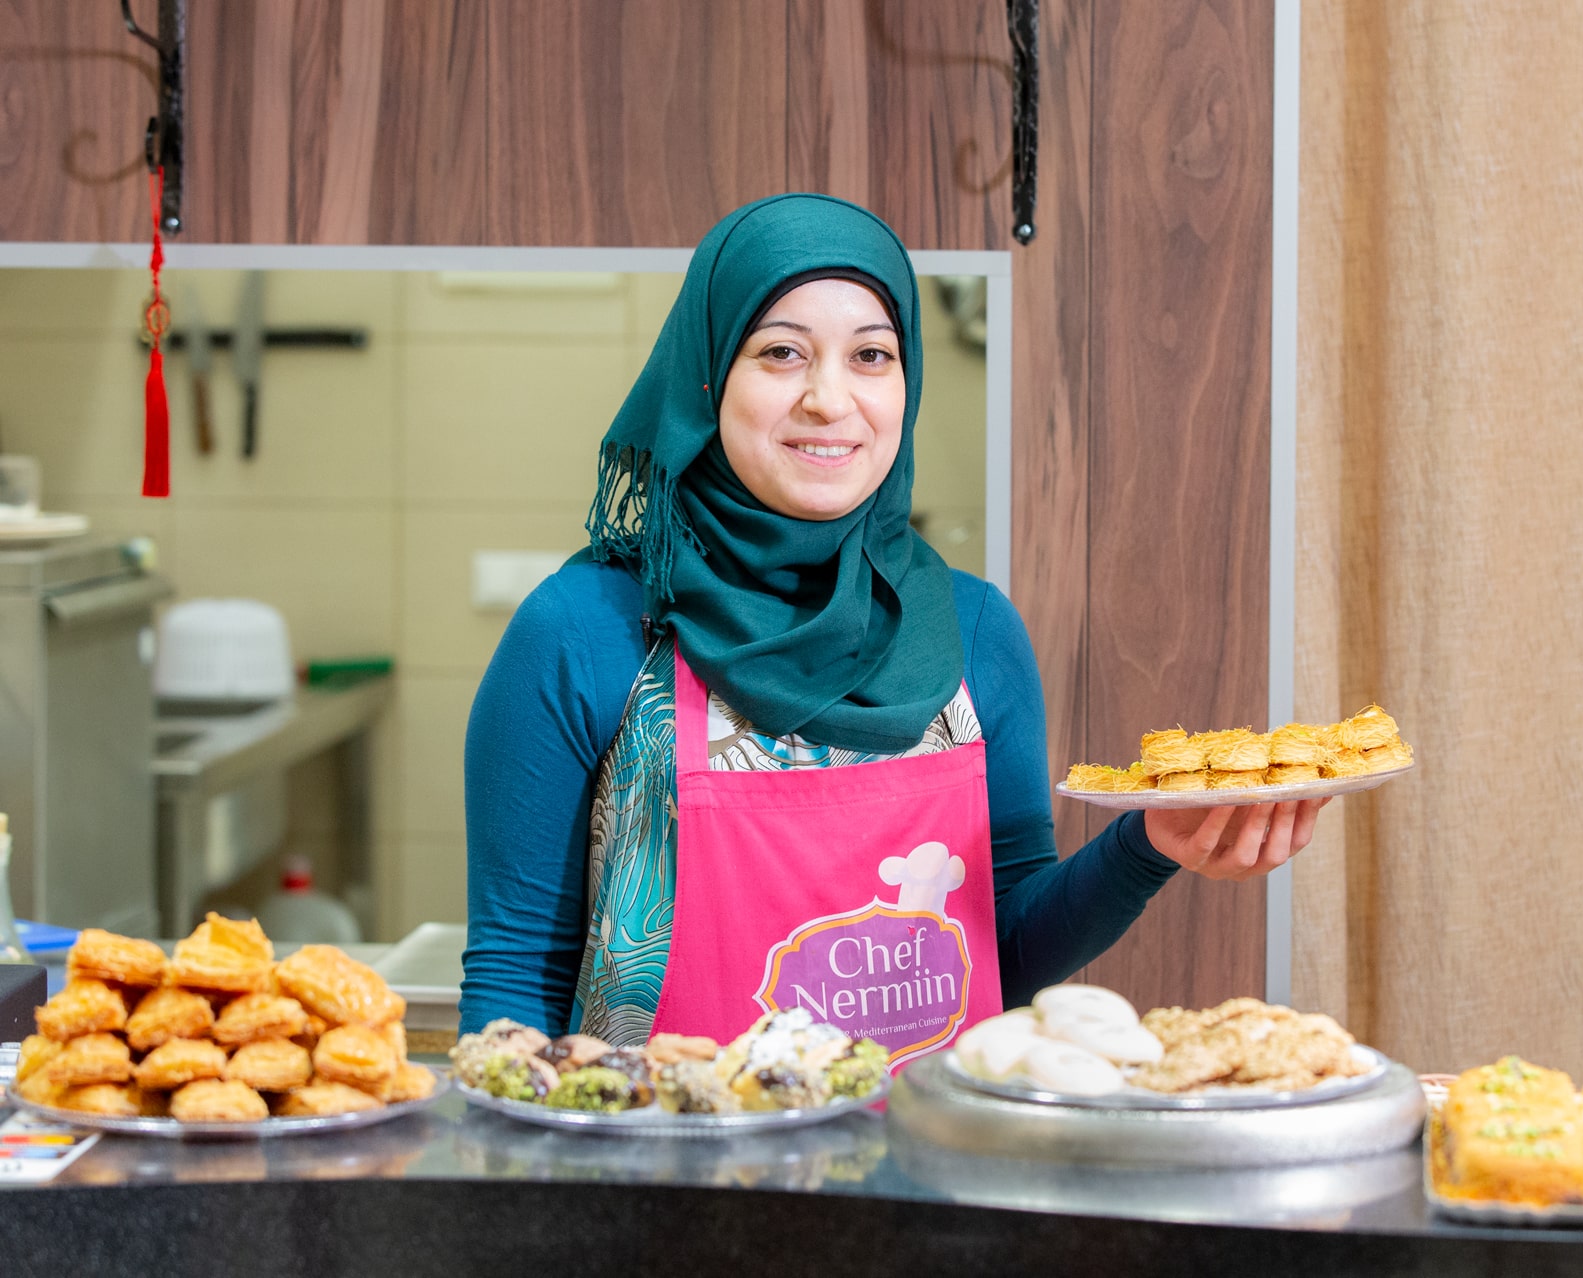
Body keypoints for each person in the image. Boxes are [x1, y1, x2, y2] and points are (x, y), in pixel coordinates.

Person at [459, 194, 1326, 1056]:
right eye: (781, 353)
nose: (829, 399)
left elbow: (1006, 955)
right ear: (707, 375)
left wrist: (1148, 846)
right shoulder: (584, 631)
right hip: (664, 1178)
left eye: (871, 355)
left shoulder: (974, 630)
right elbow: (513, 977)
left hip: (932, 1175)